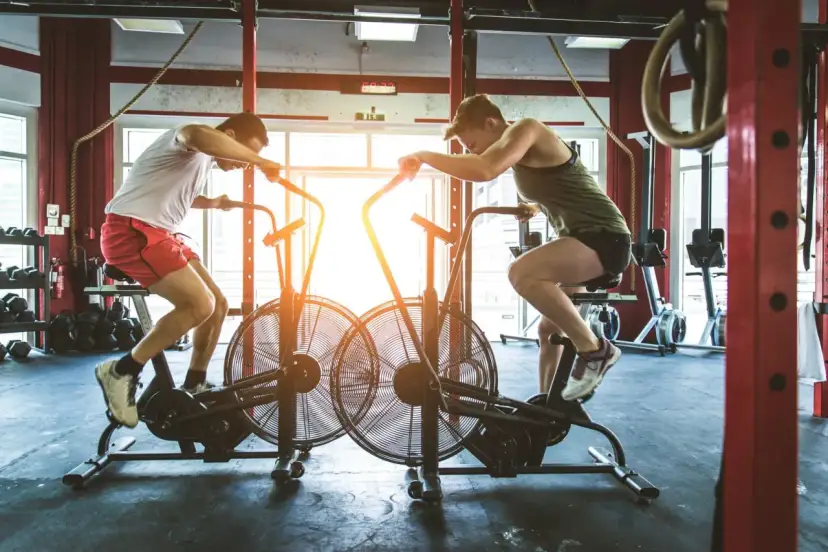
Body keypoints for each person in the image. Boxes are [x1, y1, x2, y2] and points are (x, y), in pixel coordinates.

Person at [398, 94, 631, 401]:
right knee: (550, 331)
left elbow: (484, 169)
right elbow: (556, 182)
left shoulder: (527, 128)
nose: (474, 151)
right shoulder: (520, 153)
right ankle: (551, 407)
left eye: (473, 144)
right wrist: (533, 205)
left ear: (491, 123)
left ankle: (596, 351)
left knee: (522, 274)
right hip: (581, 239)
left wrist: (424, 155)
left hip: (604, 238)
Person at [96, 112, 282, 428]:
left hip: (160, 233)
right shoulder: (189, 139)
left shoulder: (202, 163)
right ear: (229, 135)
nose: (244, 164)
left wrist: (214, 203)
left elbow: (177, 192)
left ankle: (194, 383)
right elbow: (194, 134)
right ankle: (121, 371)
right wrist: (260, 162)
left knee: (218, 305)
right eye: (245, 154)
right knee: (198, 305)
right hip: (131, 231)